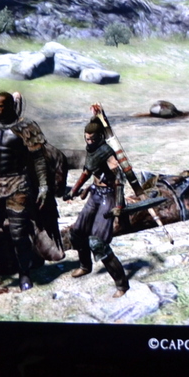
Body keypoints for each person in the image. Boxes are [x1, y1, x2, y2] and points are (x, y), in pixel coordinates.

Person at [0, 92, 49, 298]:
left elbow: (38, 158)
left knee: (19, 234)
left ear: (11, 106)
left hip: (17, 184)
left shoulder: (26, 127)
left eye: (2, 106)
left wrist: (43, 186)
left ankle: (24, 275)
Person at [66, 119, 130, 297]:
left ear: (100, 137)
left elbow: (119, 179)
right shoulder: (91, 150)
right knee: (77, 232)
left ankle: (122, 285)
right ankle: (85, 266)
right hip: (95, 194)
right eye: (87, 139)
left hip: (108, 197)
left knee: (98, 242)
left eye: (93, 139)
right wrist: (73, 191)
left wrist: (118, 204)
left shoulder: (108, 153)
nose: (90, 142)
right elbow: (87, 172)